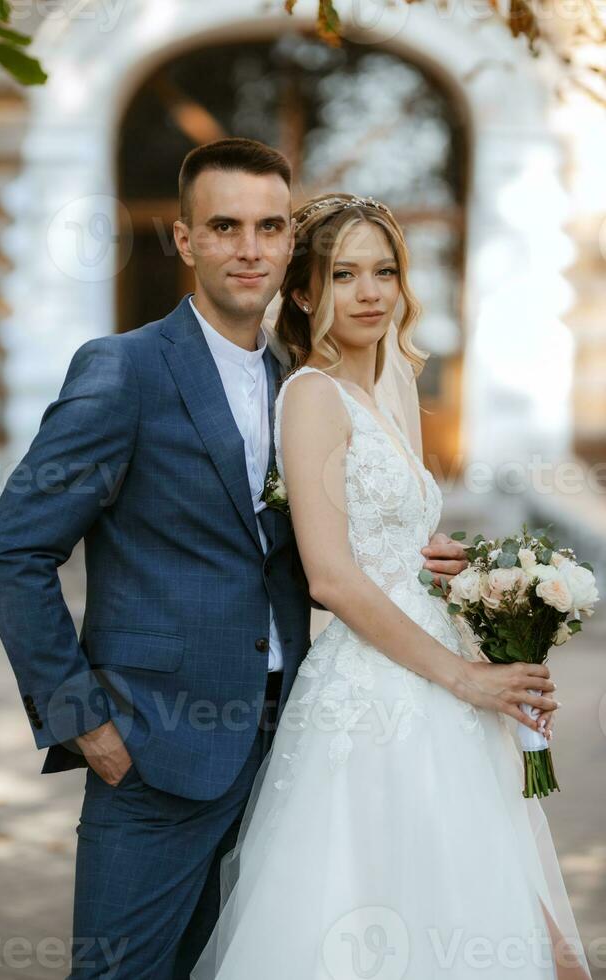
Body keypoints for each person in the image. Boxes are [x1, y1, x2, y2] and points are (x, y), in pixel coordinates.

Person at [0, 139, 468, 980]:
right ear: (184, 240)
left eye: (269, 226)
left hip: (288, 744)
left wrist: (412, 558)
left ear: (287, 243)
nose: (249, 248)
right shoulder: (123, 370)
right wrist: (85, 720)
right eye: (225, 226)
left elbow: (316, 544)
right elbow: (13, 549)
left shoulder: (301, 380)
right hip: (154, 744)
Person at [189, 194, 592, 980]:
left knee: (488, 903)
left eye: (384, 272)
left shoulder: (394, 389)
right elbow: (332, 577)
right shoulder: (310, 396)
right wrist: (466, 678)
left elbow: (391, 541)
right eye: (343, 275)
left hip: (439, 672)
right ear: (304, 293)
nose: (370, 292)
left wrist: (462, 572)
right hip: (377, 689)